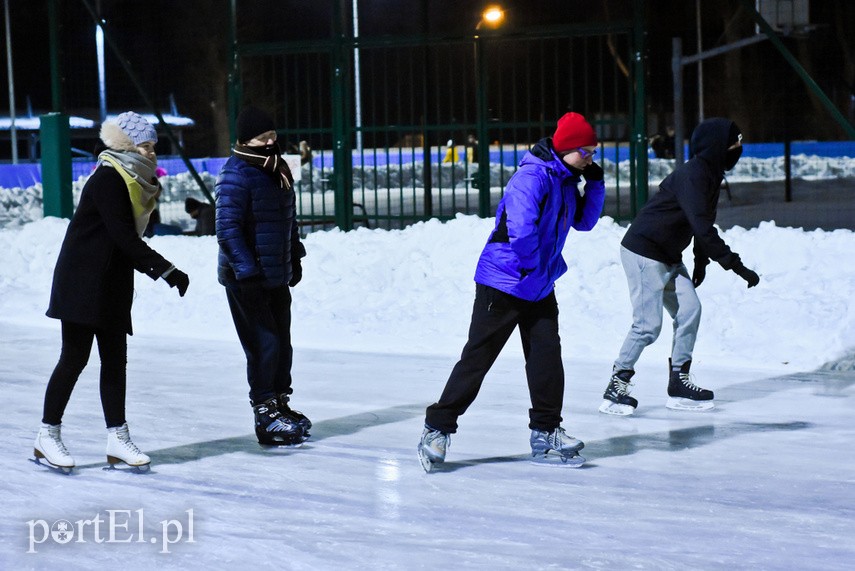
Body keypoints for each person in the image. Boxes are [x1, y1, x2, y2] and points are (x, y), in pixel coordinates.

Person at [419, 112, 606, 470]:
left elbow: (584, 222)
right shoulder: (532, 176)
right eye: (586, 151)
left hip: (538, 284)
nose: (590, 158)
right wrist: (536, 269)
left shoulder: (567, 178)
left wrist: (594, 185)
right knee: (478, 358)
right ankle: (436, 429)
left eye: (593, 152)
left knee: (546, 358)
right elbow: (521, 232)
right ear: (567, 148)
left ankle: (546, 430)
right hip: (504, 281)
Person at [34, 111, 190, 473]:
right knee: (74, 359)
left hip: (112, 282)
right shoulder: (108, 179)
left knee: (115, 362)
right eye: (145, 146)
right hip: (81, 282)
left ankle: (117, 438)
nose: (152, 153)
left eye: (154, 147)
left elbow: (122, 242)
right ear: (126, 146)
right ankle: (47, 434)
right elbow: (123, 237)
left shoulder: (134, 180)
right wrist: (166, 270)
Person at [599, 117, 760, 416]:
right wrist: (736, 267)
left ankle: (678, 382)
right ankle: (616, 384)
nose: (739, 150)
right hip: (644, 252)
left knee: (690, 311)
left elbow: (701, 223)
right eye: (734, 145)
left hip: (669, 255)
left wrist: (701, 261)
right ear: (717, 147)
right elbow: (703, 228)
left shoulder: (710, 175)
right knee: (648, 326)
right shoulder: (694, 176)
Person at [216, 105, 309, 446]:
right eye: (262, 138)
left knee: (282, 342)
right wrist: (247, 271)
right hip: (247, 279)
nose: (270, 143)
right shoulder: (236, 174)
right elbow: (227, 229)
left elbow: (287, 220)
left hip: (275, 273)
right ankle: (264, 412)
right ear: (245, 139)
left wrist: (294, 257)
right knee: (263, 344)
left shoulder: (277, 171)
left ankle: (280, 403)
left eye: (273, 136)